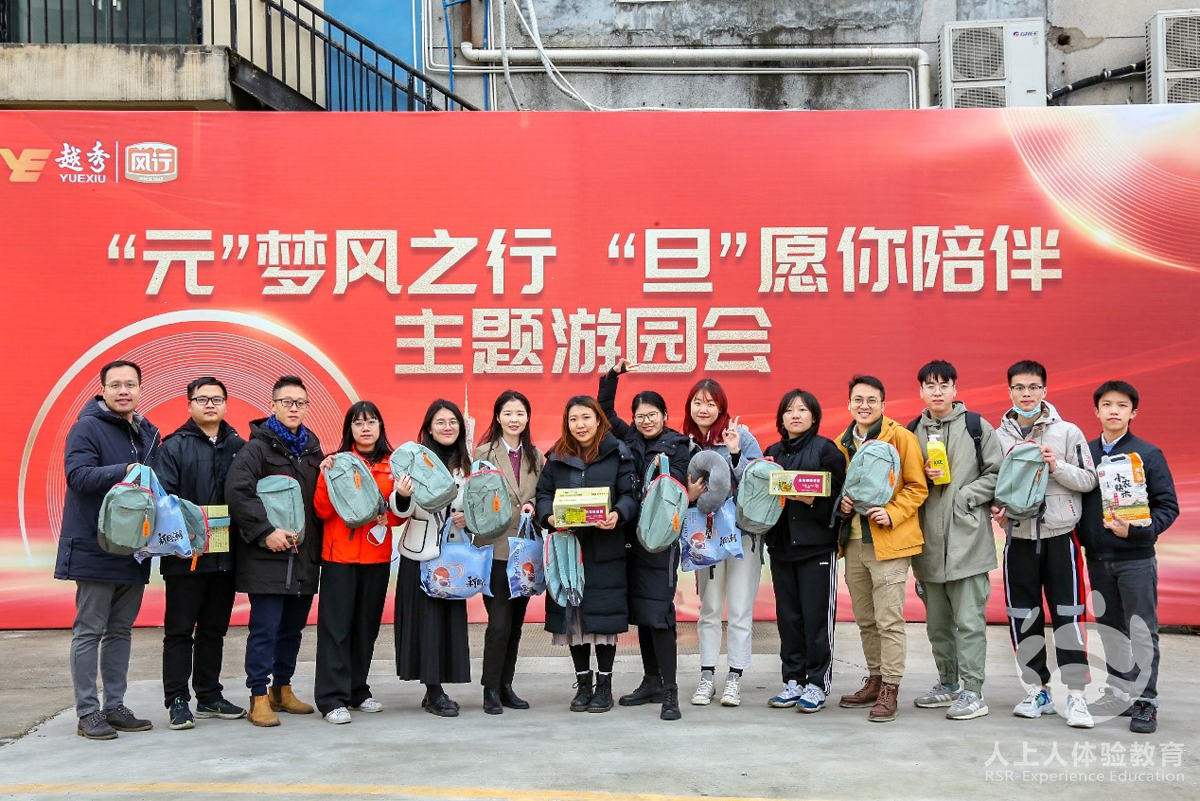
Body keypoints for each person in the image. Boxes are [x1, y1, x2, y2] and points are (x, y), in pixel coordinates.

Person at [56, 360, 161, 740]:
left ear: (140, 389)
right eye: (115, 384)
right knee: (89, 630)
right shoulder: (87, 427)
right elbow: (78, 476)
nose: (123, 391)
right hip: (94, 546)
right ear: (102, 390)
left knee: (120, 631)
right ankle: (87, 712)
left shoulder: (149, 433)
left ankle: (114, 706)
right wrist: (125, 470)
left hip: (133, 548)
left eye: (130, 384)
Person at [991, 360, 1098, 729]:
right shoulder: (997, 436)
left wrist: (1057, 467)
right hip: (1018, 538)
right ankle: (1037, 691)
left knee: (1068, 614)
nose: (1027, 394)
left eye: (1033, 387)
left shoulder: (1068, 432)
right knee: (1023, 615)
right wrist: (995, 507)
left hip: (1060, 537)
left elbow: (1089, 479)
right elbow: (991, 483)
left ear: (1045, 390)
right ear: (1009, 391)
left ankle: (1077, 695)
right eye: (1019, 387)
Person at [599, 360, 700, 721]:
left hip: (660, 540)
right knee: (642, 612)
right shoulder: (627, 440)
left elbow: (683, 487)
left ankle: (671, 691)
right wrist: (612, 376)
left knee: (659, 613)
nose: (645, 421)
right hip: (629, 537)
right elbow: (604, 409)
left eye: (652, 414)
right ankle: (651, 681)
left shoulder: (679, 445)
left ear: (665, 415)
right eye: (640, 416)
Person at [1078, 380, 1179, 734]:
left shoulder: (1147, 454)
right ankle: (1119, 693)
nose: (1114, 411)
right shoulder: (1085, 454)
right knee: (1110, 629)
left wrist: (1136, 532)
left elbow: (1168, 507)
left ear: (1133, 413)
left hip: (1135, 558)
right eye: (1107, 404)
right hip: (1097, 557)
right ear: (1096, 411)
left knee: (1141, 630)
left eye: (1122, 405)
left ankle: (1146, 701)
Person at [225, 375, 324, 727]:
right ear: (273, 405)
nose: (294, 408)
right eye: (287, 402)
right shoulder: (256, 449)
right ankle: (258, 696)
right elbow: (238, 492)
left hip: (303, 557)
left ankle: (282, 689)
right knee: (265, 630)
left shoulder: (312, 450)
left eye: (300, 403)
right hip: (266, 558)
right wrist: (265, 532)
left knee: (292, 630)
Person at [907, 361, 1003, 721]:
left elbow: (997, 473)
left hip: (968, 542)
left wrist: (965, 496)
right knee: (938, 625)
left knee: (969, 623)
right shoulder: (911, 431)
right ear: (921, 391)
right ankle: (948, 683)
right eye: (930, 386)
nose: (937, 392)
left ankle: (973, 690)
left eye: (943, 385)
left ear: (954, 390)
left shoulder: (976, 427)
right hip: (928, 545)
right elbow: (902, 481)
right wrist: (922, 476)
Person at [536, 395, 638, 714]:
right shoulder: (557, 456)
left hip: (606, 549)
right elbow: (543, 494)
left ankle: (604, 687)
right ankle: (583, 685)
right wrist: (549, 517)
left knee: (604, 620)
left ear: (598, 420)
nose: (580, 425)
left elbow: (630, 495)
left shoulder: (617, 453)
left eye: (586, 418)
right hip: (568, 548)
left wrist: (618, 514)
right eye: (573, 419)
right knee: (574, 618)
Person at [835, 374, 928, 723]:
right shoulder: (841, 443)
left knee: (889, 619)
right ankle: (874, 679)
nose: (864, 406)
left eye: (871, 400)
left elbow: (917, 487)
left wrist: (892, 512)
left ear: (883, 405)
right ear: (849, 404)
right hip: (853, 542)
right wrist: (842, 505)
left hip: (889, 542)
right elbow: (839, 489)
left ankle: (891, 686)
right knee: (865, 619)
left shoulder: (901, 438)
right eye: (858, 399)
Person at [156, 377, 247, 730]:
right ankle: (177, 699)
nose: (210, 404)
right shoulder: (173, 446)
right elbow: (163, 501)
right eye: (202, 399)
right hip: (185, 557)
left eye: (217, 399)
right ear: (189, 404)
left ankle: (209, 694)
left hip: (225, 557)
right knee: (179, 630)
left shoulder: (239, 446)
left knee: (214, 630)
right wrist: (181, 541)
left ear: (226, 404)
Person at [313, 401, 401, 724]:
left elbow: (399, 513)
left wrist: (392, 513)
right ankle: (330, 698)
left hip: (376, 557)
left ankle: (356, 690)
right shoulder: (336, 463)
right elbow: (322, 510)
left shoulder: (394, 464)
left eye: (371, 421)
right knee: (336, 629)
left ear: (380, 427)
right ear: (349, 429)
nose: (366, 428)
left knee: (366, 627)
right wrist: (326, 476)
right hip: (339, 557)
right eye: (358, 422)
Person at [763, 389, 846, 714]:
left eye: (802, 410)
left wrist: (812, 500)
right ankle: (793, 681)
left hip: (816, 549)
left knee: (816, 620)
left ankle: (817, 684)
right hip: (781, 547)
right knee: (789, 620)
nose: (795, 415)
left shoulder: (827, 451)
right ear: (781, 418)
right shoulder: (772, 453)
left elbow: (839, 502)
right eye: (789, 410)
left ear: (814, 416)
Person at [683, 378, 763, 708]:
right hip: (706, 539)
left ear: (721, 407)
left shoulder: (740, 436)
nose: (703, 409)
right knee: (710, 608)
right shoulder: (685, 444)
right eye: (697, 402)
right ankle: (707, 678)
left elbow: (760, 482)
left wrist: (735, 453)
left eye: (710, 403)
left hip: (743, 536)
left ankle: (735, 678)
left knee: (740, 609)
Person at [392, 399, 472, 717]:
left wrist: (469, 519)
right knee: (426, 624)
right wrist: (403, 495)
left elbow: (477, 506)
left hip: (453, 555)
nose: (447, 427)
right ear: (428, 427)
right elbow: (400, 511)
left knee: (448, 623)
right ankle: (434, 690)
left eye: (452, 421)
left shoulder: (468, 464)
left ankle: (438, 688)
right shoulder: (414, 460)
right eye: (440, 421)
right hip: (421, 553)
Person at [473, 390, 545, 715]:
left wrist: (534, 504)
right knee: (499, 622)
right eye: (508, 413)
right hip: (494, 548)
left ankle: (506, 685)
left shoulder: (536, 456)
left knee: (516, 624)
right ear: (498, 417)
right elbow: (475, 497)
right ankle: (490, 688)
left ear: (527, 418)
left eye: (520, 413)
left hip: (525, 551)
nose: (514, 419)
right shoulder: (483, 453)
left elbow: (544, 493)